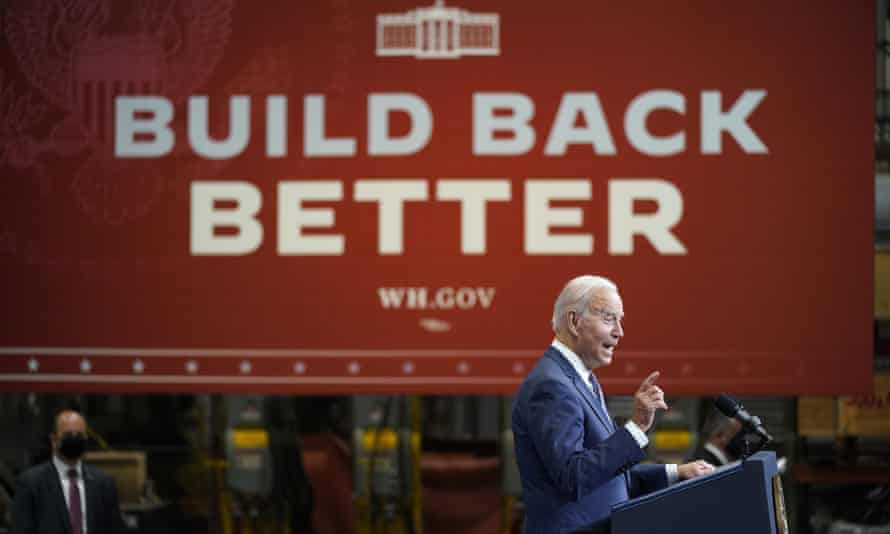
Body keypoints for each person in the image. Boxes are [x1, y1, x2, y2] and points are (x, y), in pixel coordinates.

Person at [512, 275, 715, 533]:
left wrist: (677, 472)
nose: (620, 332)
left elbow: (607, 476)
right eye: (609, 319)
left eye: (620, 320)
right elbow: (574, 477)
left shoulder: (582, 379)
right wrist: (637, 427)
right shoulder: (551, 386)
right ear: (574, 322)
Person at [12, 409, 124, 534]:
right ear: (54, 439)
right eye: (68, 435)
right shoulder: (31, 483)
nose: (74, 439)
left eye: (79, 435)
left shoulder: (104, 483)